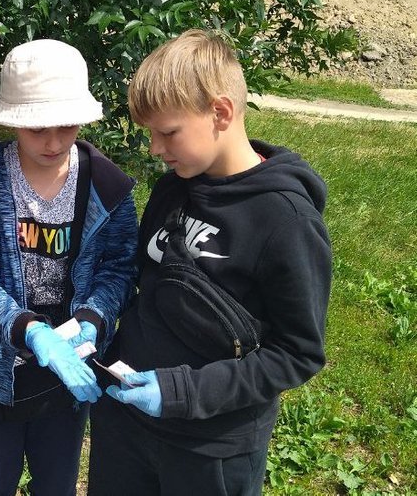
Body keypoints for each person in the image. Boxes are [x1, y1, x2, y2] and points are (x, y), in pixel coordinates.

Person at [88, 29, 332, 495]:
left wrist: (182, 393)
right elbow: (145, 283)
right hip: (126, 424)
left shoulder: (286, 222)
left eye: (168, 132)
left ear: (220, 112)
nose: (155, 148)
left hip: (209, 449)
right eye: (151, 134)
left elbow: (297, 353)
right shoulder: (172, 188)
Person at [0, 39, 138, 495]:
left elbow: (119, 268)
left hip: (71, 368)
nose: (54, 142)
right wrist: (30, 331)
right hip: (0, 368)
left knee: (56, 481)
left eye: (66, 126)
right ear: (14, 121)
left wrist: (94, 317)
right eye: (37, 129)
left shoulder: (108, 189)